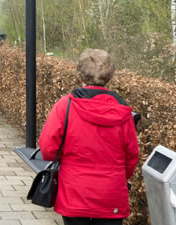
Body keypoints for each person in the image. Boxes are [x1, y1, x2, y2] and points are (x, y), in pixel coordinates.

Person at [39, 49, 139, 225]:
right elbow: (131, 157)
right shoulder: (123, 111)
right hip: (111, 194)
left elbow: (48, 150)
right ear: (109, 76)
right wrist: (117, 177)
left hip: (74, 192)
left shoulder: (65, 106)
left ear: (80, 76)